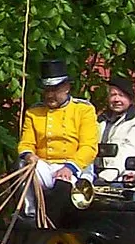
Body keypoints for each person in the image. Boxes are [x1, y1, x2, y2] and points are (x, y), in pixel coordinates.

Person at [17, 58, 99, 190]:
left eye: (55, 90)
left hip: (75, 167)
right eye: (47, 90)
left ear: (66, 88)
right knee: (26, 168)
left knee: (63, 187)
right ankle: (29, 210)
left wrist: (69, 168)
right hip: (42, 165)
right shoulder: (34, 112)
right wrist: (29, 155)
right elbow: (26, 143)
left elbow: (89, 147)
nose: (50, 95)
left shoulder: (84, 110)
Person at [97, 74, 135, 180]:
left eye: (121, 95)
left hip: (120, 175)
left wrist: (109, 175)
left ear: (130, 99)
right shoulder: (101, 120)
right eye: (113, 95)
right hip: (96, 172)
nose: (116, 99)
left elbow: (128, 150)